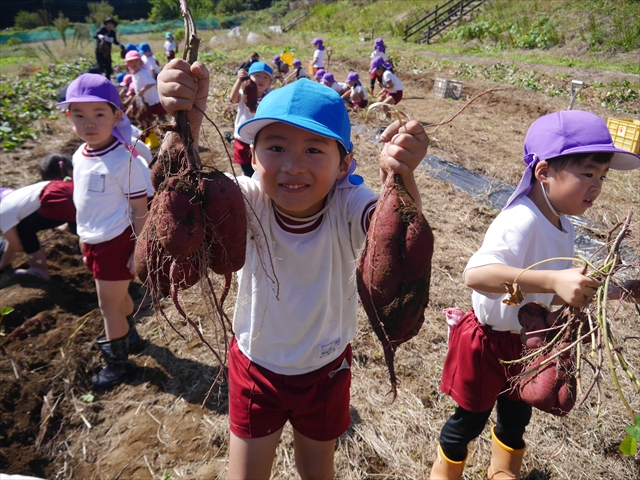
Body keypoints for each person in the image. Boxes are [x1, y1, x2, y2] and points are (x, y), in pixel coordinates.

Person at [158, 61, 429, 479]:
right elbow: (179, 200)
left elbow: (395, 233)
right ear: (252, 156)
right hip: (255, 365)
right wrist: (185, 127)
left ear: (344, 165)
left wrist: (401, 175)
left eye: (314, 150)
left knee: (316, 470)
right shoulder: (245, 200)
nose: (293, 165)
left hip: (326, 368)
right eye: (277, 148)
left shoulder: (348, 203)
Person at [429, 110, 640, 480]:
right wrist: (553, 281)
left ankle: (502, 472)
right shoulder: (521, 220)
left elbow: (552, 293)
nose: (597, 186)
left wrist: (612, 291)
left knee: (516, 417)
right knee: (469, 421)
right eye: (588, 174)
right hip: (488, 342)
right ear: (543, 172)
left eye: (602, 177)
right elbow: (476, 275)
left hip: (528, 343)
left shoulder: (563, 225)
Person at [56, 73, 150, 388]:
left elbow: (140, 209)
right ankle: (131, 336)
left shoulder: (124, 160)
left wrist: (139, 250)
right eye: (79, 115)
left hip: (117, 241)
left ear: (117, 116)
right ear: (69, 118)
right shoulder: (79, 155)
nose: (89, 123)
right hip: (93, 239)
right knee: (117, 299)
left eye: (99, 114)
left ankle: (119, 365)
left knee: (107, 305)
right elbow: (85, 201)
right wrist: (82, 238)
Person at [0, 154, 76, 279]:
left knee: (24, 229)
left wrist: (31, 247)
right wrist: (3, 264)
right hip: (73, 192)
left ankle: (38, 269)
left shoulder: (3, 213)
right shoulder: (16, 199)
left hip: (58, 199)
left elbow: (16, 246)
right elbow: (12, 243)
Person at [229, 61, 272, 177]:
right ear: (249, 77)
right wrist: (239, 80)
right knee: (247, 171)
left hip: (260, 140)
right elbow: (233, 98)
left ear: (270, 82)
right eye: (257, 75)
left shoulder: (270, 98)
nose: (261, 80)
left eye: (265, 77)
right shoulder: (243, 94)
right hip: (243, 140)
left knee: (260, 170)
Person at [124, 50, 167, 119]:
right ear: (127, 64)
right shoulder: (134, 74)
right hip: (146, 101)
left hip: (152, 101)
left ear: (140, 62)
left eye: (136, 61)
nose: (134, 63)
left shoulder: (142, 72)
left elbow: (152, 83)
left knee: (157, 117)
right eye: (131, 62)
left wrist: (142, 91)